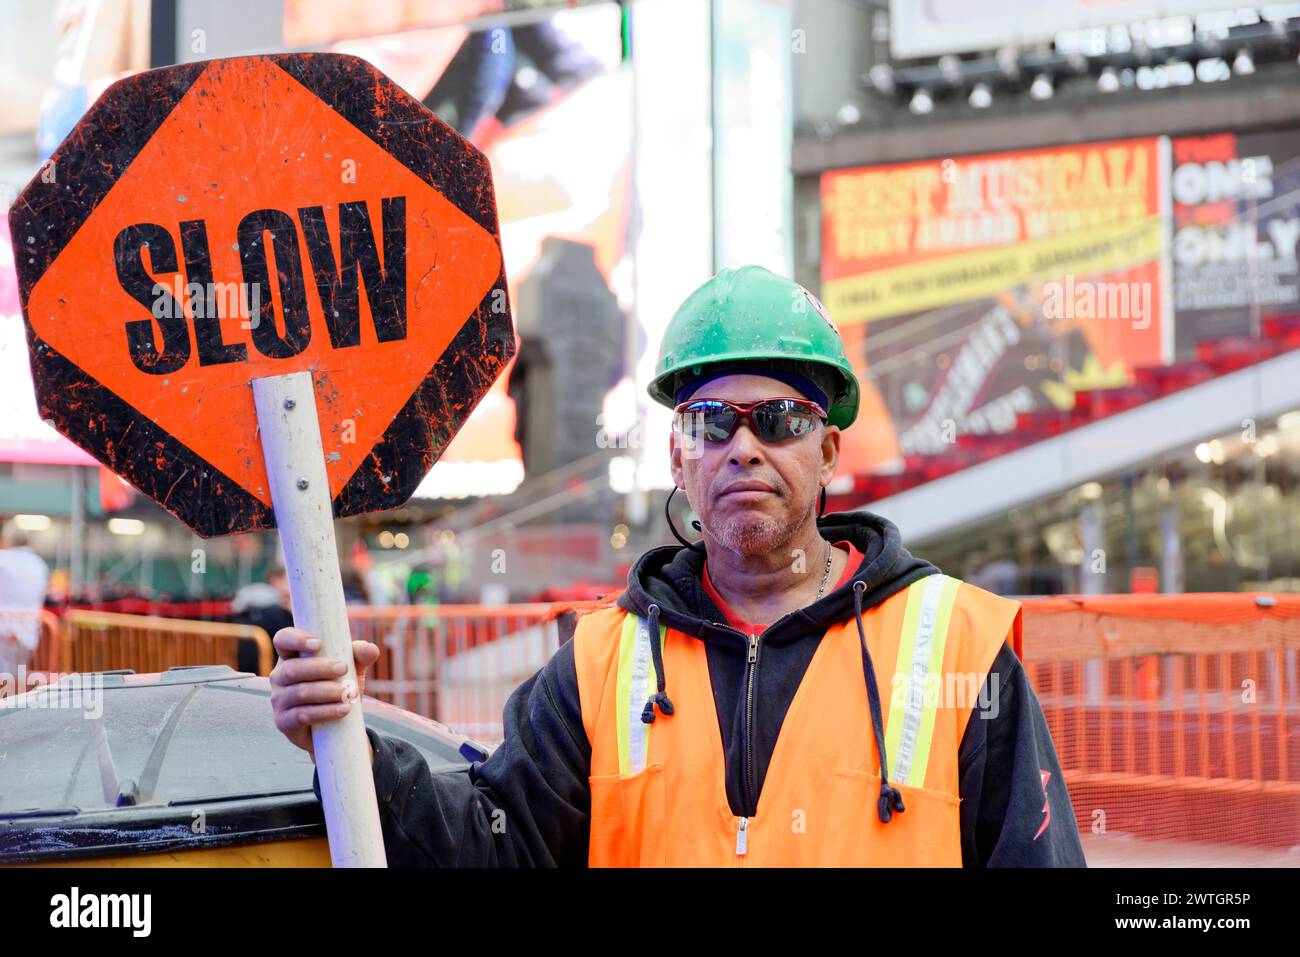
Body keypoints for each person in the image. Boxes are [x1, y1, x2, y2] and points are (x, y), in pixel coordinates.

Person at [269, 265, 1086, 867]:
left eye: (779, 418)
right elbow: (498, 849)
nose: (744, 447)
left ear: (830, 450)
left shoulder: (955, 646)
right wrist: (351, 750)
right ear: (677, 456)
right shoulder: (599, 663)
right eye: (710, 422)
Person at [0, 525, 51, 678]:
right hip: (29, 633)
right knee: (16, 679)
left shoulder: (3, 559)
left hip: (4, 631)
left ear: (7, 540)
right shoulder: (39, 563)